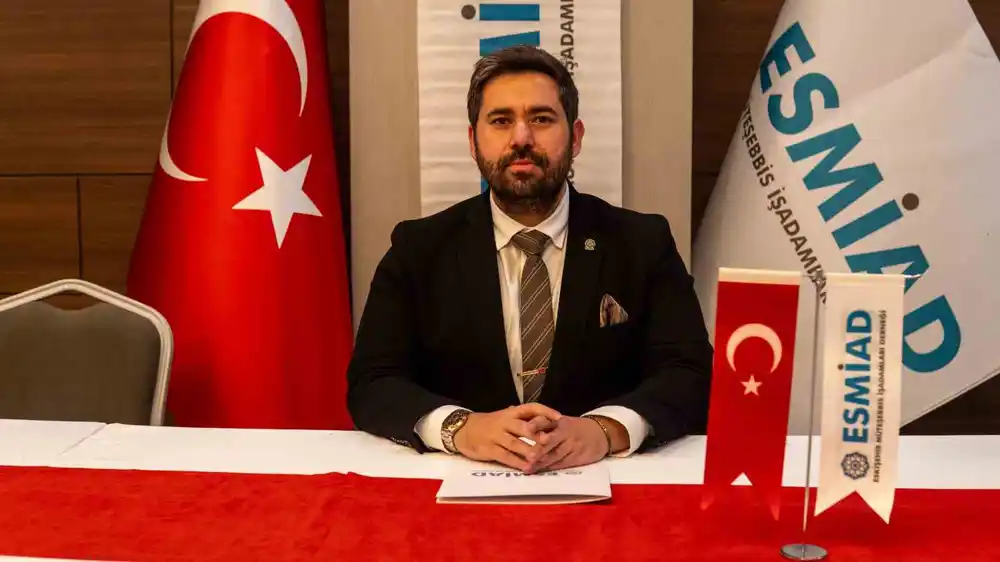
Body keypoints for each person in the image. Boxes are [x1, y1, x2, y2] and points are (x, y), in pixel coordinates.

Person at [347, 45, 712, 473]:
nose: (521, 138)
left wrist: (606, 429)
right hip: (459, 479)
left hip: (607, 479)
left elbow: (690, 372)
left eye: (541, 119)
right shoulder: (419, 248)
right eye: (501, 121)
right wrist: (459, 428)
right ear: (473, 141)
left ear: (575, 137)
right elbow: (373, 381)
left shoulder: (641, 243)